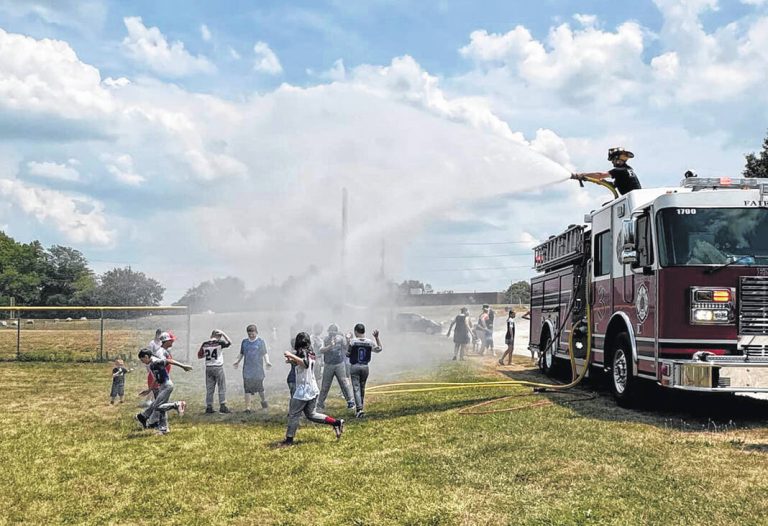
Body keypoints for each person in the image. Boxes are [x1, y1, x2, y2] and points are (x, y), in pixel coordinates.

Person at [279, 332, 344, 447]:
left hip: (303, 390)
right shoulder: (311, 352)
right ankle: (336, 422)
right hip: (312, 388)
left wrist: (291, 355)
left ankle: (289, 440)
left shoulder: (302, 353)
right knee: (311, 414)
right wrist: (292, 361)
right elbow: (304, 363)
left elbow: (305, 364)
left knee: (293, 414)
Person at [135, 349, 192, 435]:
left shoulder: (156, 362)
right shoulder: (151, 365)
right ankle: (163, 428)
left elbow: (169, 360)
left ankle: (177, 404)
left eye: (142, 360)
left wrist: (183, 366)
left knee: (158, 407)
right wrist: (149, 389)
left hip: (167, 386)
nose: (143, 362)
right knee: (159, 407)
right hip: (162, 386)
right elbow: (155, 378)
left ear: (146, 356)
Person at [571, 147, 642, 196]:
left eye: (613, 160)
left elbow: (600, 175)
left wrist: (580, 175)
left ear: (617, 160)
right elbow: (614, 185)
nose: (612, 163)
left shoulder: (619, 170)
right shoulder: (627, 170)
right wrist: (603, 182)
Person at [316, 323, 355, 411]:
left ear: (337, 332)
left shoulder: (340, 339)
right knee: (325, 385)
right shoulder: (325, 339)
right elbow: (321, 350)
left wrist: (348, 340)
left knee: (344, 383)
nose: (332, 334)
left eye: (334, 332)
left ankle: (350, 402)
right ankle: (320, 404)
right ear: (328, 332)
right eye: (331, 332)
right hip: (328, 364)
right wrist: (330, 346)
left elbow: (346, 348)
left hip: (339, 364)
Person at [347, 323, 383, 418]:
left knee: (356, 388)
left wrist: (347, 340)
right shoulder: (369, 342)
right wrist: (377, 338)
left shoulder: (353, 341)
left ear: (355, 331)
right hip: (365, 367)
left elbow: (347, 353)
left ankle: (359, 409)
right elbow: (379, 349)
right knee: (362, 387)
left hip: (355, 366)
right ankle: (361, 407)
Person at [233, 324, 272, 412]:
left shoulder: (260, 342)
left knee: (260, 388)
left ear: (256, 332)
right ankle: (248, 408)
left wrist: (267, 362)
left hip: (258, 370)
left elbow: (265, 353)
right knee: (247, 389)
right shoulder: (244, 342)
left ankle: (264, 402)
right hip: (247, 370)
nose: (251, 335)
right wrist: (237, 361)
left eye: (252, 334)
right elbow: (241, 353)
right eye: (249, 334)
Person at [197, 329, 232, 414]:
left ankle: (209, 406)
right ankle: (222, 406)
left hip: (208, 367)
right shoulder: (220, 343)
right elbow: (230, 342)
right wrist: (224, 333)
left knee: (209, 388)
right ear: (219, 336)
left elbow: (199, 355)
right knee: (221, 386)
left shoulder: (205, 344)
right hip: (218, 367)